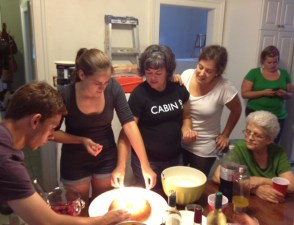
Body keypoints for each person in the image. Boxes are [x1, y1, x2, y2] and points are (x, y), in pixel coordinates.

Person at [0, 81, 130, 225]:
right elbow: (47, 222)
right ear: (36, 120)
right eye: (52, 128)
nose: (51, 136)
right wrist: (105, 219)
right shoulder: (6, 161)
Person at [53, 48, 156, 214]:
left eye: (107, 82)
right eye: (97, 83)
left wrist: (145, 164)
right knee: (80, 211)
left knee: (103, 208)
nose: (103, 87)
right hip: (74, 159)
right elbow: (51, 133)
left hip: (106, 156)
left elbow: (129, 125)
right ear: (81, 75)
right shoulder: (66, 94)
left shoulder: (113, 88)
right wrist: (81, 140)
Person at [117, 44, 197, 189]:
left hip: (175, 158)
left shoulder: (178, 88)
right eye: (148, 72)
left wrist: (186, 129)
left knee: (174, 198)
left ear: (168, 72)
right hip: (147, 161)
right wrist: (122, 165)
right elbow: (126, 132)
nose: (152, 77)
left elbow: (186, 116)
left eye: (158, 73)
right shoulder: (139, 95)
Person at [180, 45, 242, 176]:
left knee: (196, 185)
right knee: (177, 181)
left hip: (204, 147)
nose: (202, 73)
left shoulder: (225, 87)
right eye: (200, 67)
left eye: (208, 71)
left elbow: (237, 110)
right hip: (181, 142)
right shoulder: (186, 75)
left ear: (217, 73)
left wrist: (225, 134)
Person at [212, 110, 294, 204]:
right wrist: (255, 190)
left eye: (257, 135)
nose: (250, 138)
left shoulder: (278, 152)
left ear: (269, 139)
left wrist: (260, 180)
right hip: (246, 202)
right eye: (248, 132)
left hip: (272, 204)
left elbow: (292, 186)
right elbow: (217, 177)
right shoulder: (239, 148)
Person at [241, 45, 292, 144]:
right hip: (256, 114)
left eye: (275, 62)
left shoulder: (284, 74)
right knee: (255, 142)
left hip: (278, 115)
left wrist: (284, 93)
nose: (272, 65)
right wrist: (263, 92)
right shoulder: (254, 73)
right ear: (263, 61)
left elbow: (290, 95)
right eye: (269, 62)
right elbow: (245, 94)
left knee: (273, 144)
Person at [0, 22, 17, 92]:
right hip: (2, 66)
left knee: (8, 86)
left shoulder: (8, 37)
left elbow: (14, 50)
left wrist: (7, 38)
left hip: (6, 66)